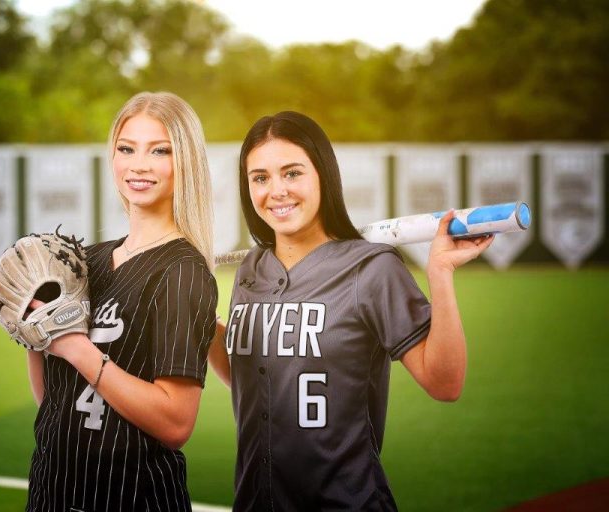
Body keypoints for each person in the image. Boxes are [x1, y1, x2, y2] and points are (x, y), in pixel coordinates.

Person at [208, 111, 494, 511]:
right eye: (260, 178)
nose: (277, 191)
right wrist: (200, 315)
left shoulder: (373, 268)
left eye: (292, 173)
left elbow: (445, 383)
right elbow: (251, 380)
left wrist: (440, 271)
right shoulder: (250, 271)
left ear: (323, 174)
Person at [25, 92, 218, 512]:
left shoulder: (183, 272)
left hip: (134, 498)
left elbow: (175, 423)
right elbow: (55, 402)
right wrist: (34, 333)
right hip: (51, 492)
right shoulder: (84, 260)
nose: (139, 165)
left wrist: (77, 349)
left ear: (185, 162)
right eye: (126, 148)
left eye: (160, 150)